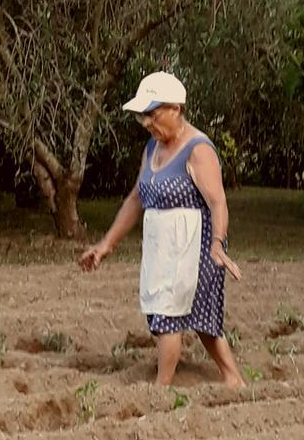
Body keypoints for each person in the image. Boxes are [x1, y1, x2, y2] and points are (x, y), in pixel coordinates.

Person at [79, 71, 245, 389]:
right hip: (163, 248)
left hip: (195, 249)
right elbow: (137, 197)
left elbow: (218, 202)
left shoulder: (198, 149)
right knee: (195, 319)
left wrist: (218, 244)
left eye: (152, 115)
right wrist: (105, 246)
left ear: (175, 109)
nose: (147, 124)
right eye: (143, 117)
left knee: (172, 318)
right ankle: (232, 378)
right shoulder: (152, 149)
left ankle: (161, 389)